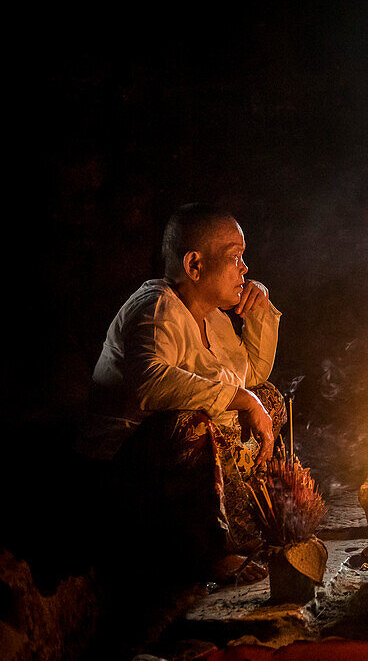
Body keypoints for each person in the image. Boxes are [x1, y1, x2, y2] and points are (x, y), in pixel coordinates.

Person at [86, 204, 285, 583]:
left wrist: (257, 310)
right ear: (194, 265)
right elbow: (150, 381)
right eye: (234, 257)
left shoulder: (212, 315)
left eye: (243, 257)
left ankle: (248, 522)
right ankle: (207, 552)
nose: (245, 268)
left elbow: (253, 374)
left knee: (269, 398)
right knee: (190, 424)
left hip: (174, 461)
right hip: (123, 467)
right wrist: (241, 399)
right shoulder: (157, 306)